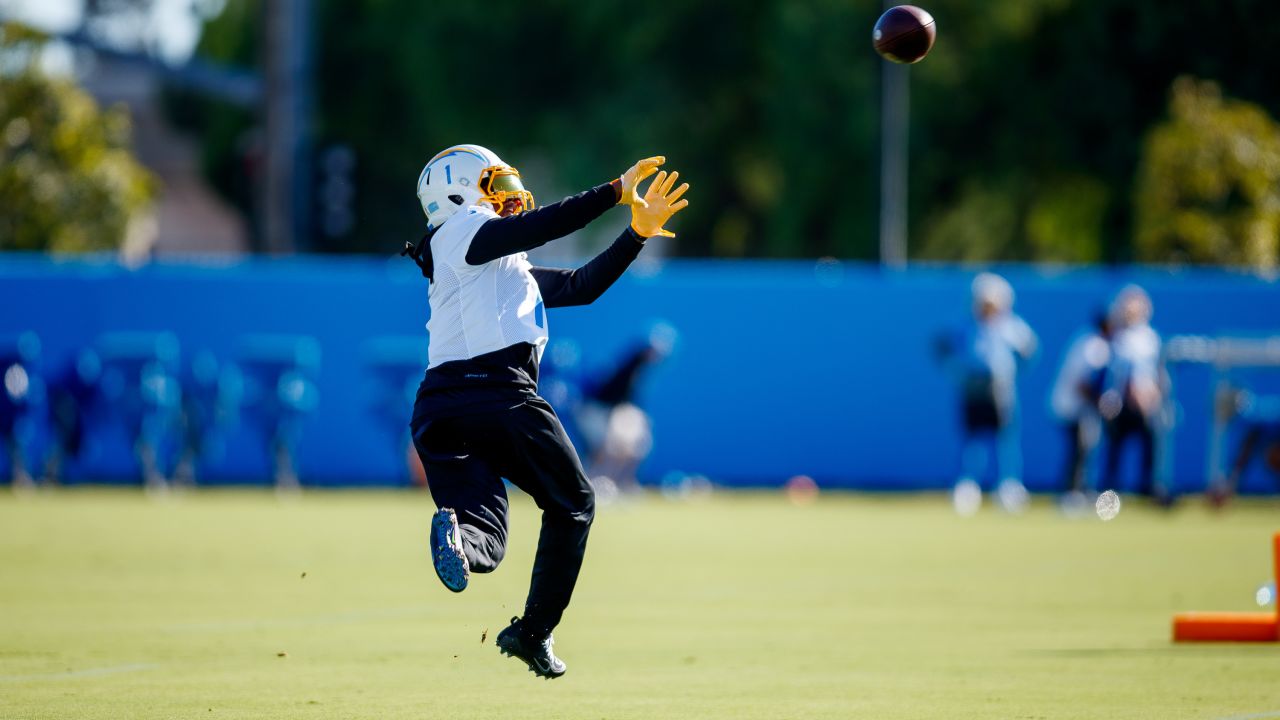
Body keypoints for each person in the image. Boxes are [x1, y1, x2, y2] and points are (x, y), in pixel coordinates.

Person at [401, 145, 688, 679]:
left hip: (440, 409)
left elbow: (582, 286)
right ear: (457, 193)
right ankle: (533, 633)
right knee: (574, 503)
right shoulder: (460, 232)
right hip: (498, 394)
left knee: (484, 535)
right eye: (494, 186)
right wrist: (614, 192)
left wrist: (638, 233)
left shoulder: (490, 266)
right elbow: (539, 227)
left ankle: (457, 539)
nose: (508, 199)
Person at [944, 273, 1037, 514]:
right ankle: (968, 486)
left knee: (1005, 439)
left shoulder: (1011, 326)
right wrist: (959, 373)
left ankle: (1008, 485)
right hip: (973, 388)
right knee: (973, 440)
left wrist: (1010, 373)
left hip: (1000, 388)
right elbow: (946, 349)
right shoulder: (965, 326)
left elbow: (1029, 351)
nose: (988, 307)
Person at [1097, 285, 1169, 504]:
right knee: (1114, 449)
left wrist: (1158, 397)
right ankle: (1109, 494)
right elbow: (1108, 373)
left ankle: (1148, 489)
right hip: (1118, 403)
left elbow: (1158, 372)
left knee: (1151, 446)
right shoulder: (1114, 337)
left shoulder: (1150, 338)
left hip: (1146, 403)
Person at [1049, 312, 1111, 509]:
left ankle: (1079, 490)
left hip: (1080, 408)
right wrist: (1099, 402)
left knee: (1084, 449)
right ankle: (1072, 493)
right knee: (1079, 450)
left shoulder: (1092, 341)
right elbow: (1081, 383)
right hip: (1073, 406)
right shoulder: (1093, 345)